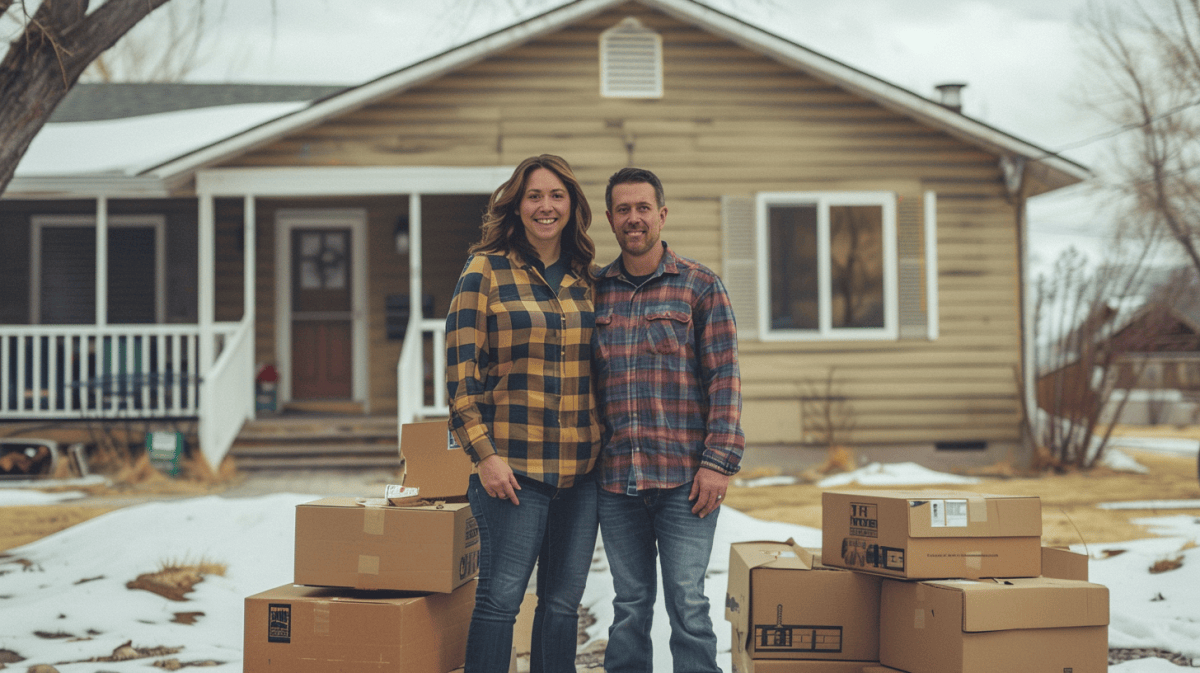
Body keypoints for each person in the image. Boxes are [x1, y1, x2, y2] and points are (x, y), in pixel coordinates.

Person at [446, 154, 602, 673]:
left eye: (556, 195)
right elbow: (460, 380)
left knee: (561, 607)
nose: (545, 206)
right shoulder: (483, 271)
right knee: (500, 602)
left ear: (571, 206)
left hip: (580, 475)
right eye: (534, 196)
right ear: (516, 205)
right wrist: (485, 458)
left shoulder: (588, 279)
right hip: (512, 471)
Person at [592, 167, 744, 673]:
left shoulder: (701, 287)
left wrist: (718, 464)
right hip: (617, 483)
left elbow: (725, 379)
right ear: (610, 219)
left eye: (642, 208)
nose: (633, 219)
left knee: (689, 606)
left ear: (661, 214)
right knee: (629, 606)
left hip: (686, 481)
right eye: (622, 209)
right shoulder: (595, 293)